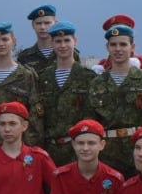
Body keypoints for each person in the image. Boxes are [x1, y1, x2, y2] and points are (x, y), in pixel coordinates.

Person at [88, 20, 142, 178]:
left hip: (139, 149)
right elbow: (92, 120)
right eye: (113, 45)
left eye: (123, 44)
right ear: (107, 48)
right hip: (107, 152)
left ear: (132, 48)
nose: (118, 49)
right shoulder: (97, 83)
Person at [36, 21, 97, 167]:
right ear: (51, 43)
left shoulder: (88, 77)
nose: (62, 45)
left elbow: (92, 116)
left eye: (67, 40)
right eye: (58, 41)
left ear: (75, 41)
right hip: (49, 150)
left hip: (78, 150)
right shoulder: (43, 78)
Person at [17, 4, 58, 72]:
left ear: (55, 23)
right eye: (38, 23)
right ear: (33, 25)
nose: (42, 27)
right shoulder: (24, 57)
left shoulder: (67, 53)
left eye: (47, 23)